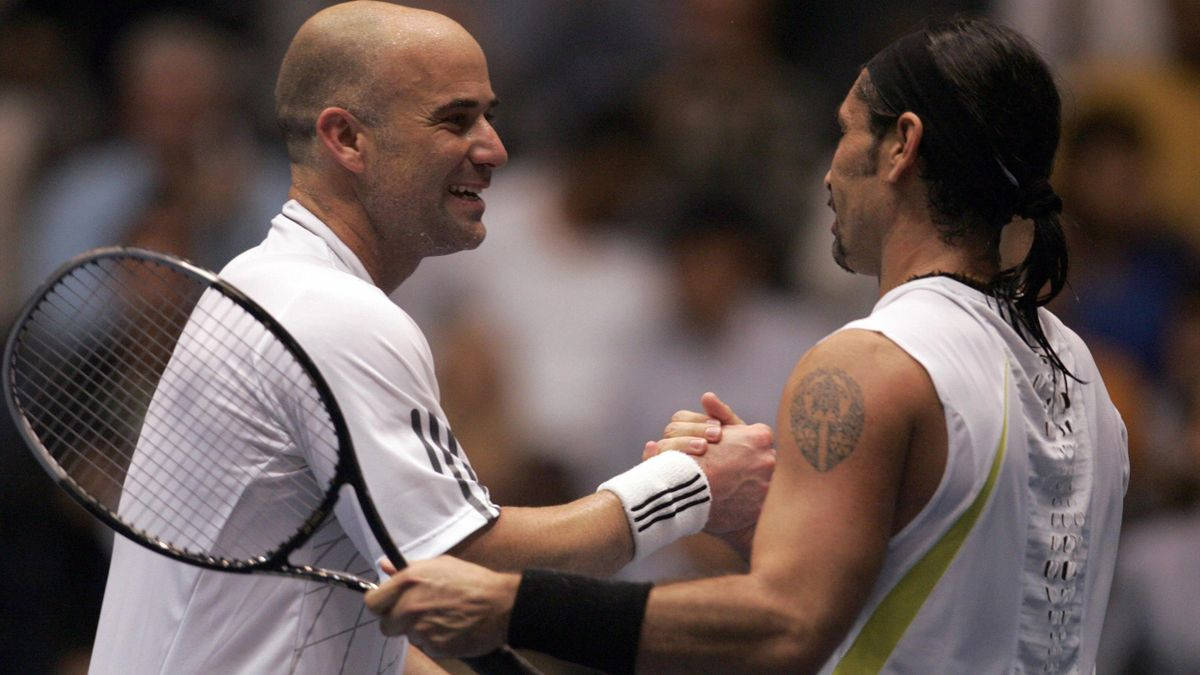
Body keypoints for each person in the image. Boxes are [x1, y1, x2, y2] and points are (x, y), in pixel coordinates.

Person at [363, 18, 1130, 674]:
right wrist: (774, 520)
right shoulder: (1080, 372)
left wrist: (511, 603)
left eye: (844, 132)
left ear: (901, 144)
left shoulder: (868, 364)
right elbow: (966, 595)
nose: (827, 171)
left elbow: (787, 624)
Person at [87, 3, 775, 673]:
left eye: (490, 116)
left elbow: (355, 596)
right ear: (346, 138)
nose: (495, 148)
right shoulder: (333, 313)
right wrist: (690, 484)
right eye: (455, 120)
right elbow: (460, 563)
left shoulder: (267, 284)